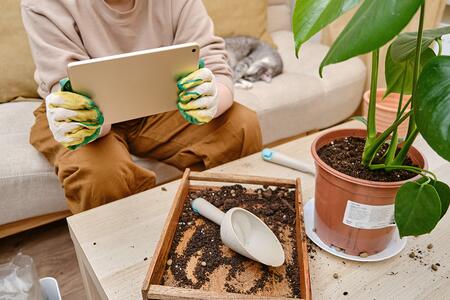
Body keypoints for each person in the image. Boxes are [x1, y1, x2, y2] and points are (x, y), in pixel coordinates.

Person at [21, 0, 262, 214]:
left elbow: (213, 63)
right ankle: (125, 255)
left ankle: (235, 223)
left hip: (158, 103)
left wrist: (212, 98)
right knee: (101, 174)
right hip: (81, 114)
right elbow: (64, 87)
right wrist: (84, 122)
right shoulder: (43, 4)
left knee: (241, 125)